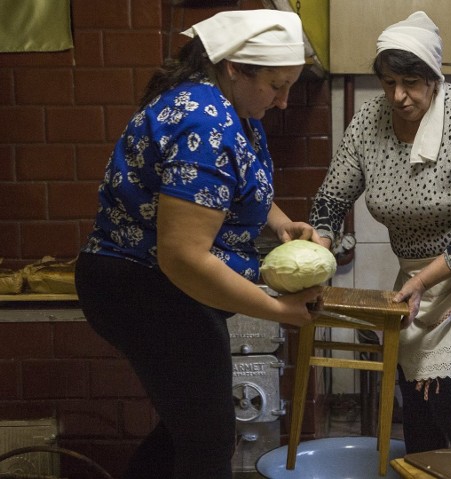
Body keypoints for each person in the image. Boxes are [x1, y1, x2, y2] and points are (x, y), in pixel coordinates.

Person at [74, 10, 323, 479]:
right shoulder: (203, 125)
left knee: (187, 431)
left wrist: (281, 223)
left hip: (155, 284)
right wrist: (281, 312)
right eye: (276, 86)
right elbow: (183, 257)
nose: (285, 101)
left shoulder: (224, 105)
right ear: (234, 67)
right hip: (145, 287)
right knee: (207, 442)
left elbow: (225, 186)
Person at [308, 11, 451, 453]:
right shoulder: (369, 122)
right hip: (417, 268)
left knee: (445, 385)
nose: (400, 96)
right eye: (389, 83)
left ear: (434, 77)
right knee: (412, 382)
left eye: (412, 82)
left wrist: (423, 281)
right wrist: (318, 251)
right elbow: (331, 198)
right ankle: (423, 464)